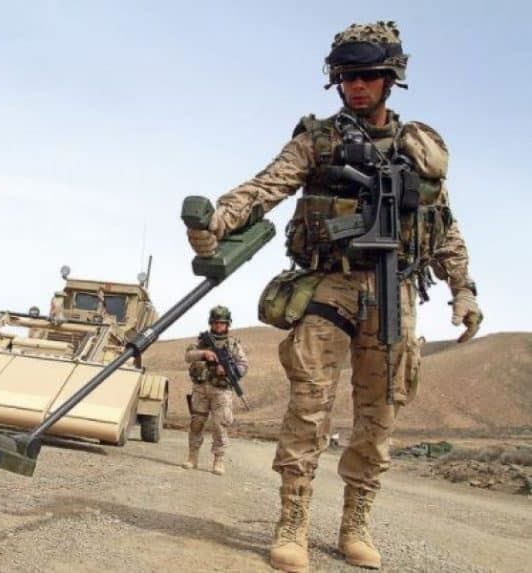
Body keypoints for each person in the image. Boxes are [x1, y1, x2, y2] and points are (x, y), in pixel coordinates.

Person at [187, 21, 482, 571]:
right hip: (331, 284)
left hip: (395, 289)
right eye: (347, 77)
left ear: (390, 79)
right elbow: (266, 187)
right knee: (308, 405)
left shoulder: (418, 151)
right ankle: (293, 522)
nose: (356, 86)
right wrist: (216, 222)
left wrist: (462, 290)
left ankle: (356, 523)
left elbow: (444, 227)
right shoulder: (318, 141)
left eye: (367, 76)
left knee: (380, 412)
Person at [182, 305, 249, 476]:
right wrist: (204, 354)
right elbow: (188, 356)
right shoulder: (202, 341)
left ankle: (218, 460)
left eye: (222, 323)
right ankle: (192, 456)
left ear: (228, 324)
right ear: (211, 323)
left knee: (220, 425)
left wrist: (227, 370)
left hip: (221, 391)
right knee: (196, 423)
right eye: (216, 322)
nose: (219, 325)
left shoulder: (233, 344)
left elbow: (243, 365)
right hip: (201, 388)